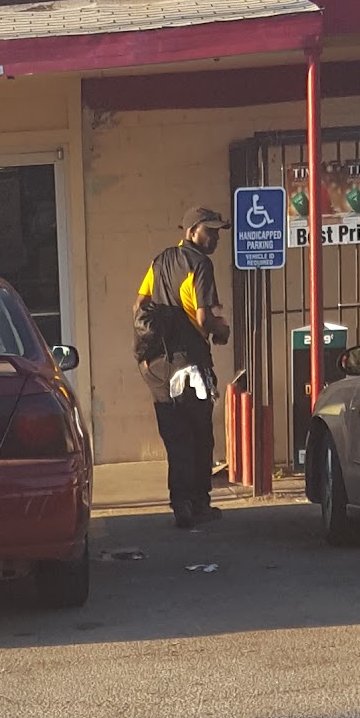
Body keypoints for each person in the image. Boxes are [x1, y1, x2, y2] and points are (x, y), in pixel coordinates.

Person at [135, 204, 232, 529]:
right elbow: (203, 319)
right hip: (190, 364)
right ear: (192, 232)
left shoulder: (160, 260)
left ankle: (180, 503)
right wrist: (221, 330)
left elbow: (139, 304)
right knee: (199, 434)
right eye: (210, 231)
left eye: (218, 232)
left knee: (175, 437)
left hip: (157, 365)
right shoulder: (200, 264)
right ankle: (199, 503)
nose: (215, 238)